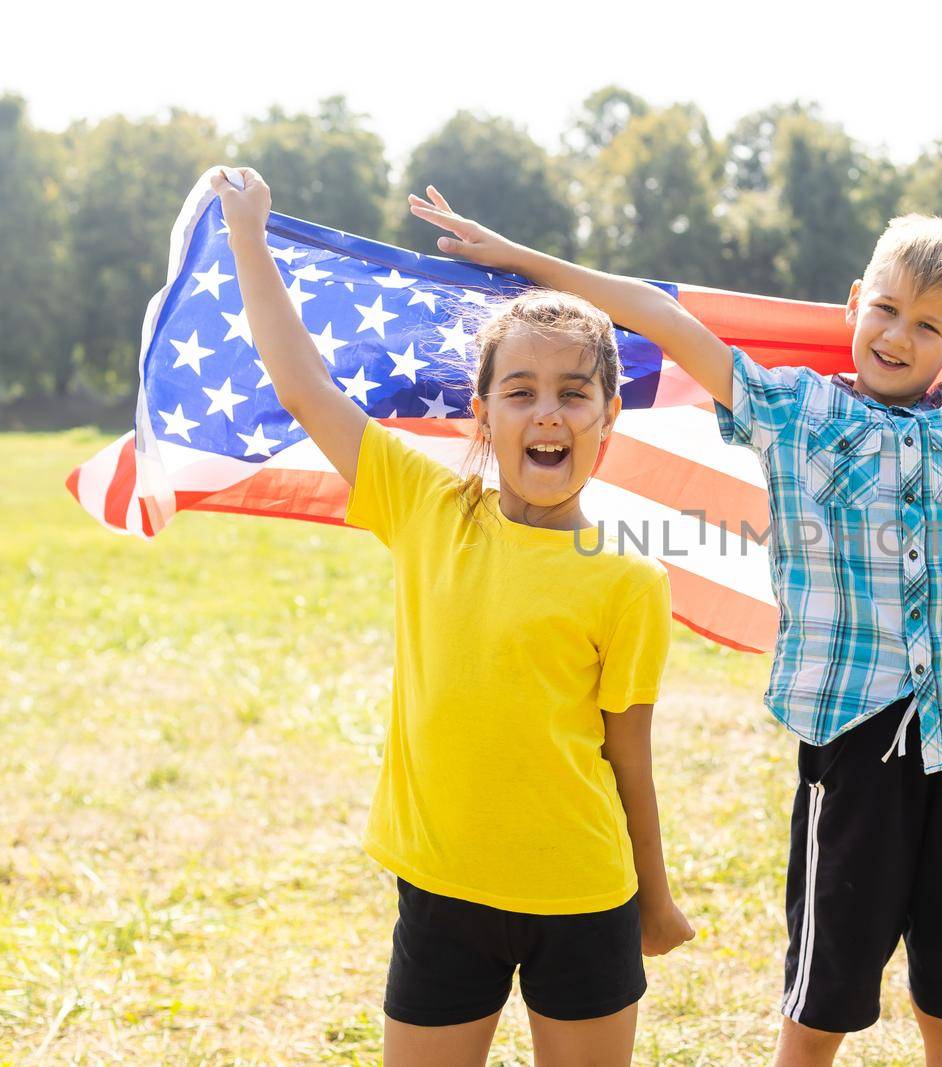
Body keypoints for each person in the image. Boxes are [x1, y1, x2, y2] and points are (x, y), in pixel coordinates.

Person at [410, 179, 942, 1066]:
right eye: (888, 310)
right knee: (825, 993)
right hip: (854, 745)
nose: (900, 336)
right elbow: (661, 318)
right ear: (856, 304)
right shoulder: (792, 412)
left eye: (929, 325)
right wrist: (518, 255)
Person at [213, 166, 694, 1067]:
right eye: (519, 391)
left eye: (571, 393)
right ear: (482, 413)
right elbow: (305, 385)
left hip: (585, 896)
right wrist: (249, 235)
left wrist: (654, 900)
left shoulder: (629, 580)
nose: (545, 412)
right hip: (442, 892)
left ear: (607, 417)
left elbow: (629, 758)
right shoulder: (427, 506)